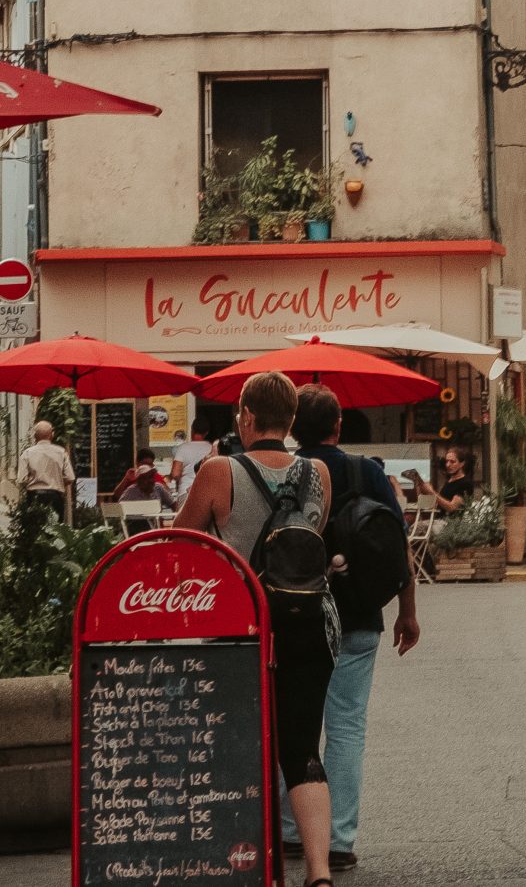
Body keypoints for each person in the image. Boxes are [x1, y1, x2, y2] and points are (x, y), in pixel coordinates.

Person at [175, 372, 337, 887]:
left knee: (236, 743)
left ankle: (245, 864)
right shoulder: (318, 474)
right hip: (310, 623)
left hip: (241, 625)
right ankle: (319, 871)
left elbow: (181, 539)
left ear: (245, 416)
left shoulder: (219, 470)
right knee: (302, 748)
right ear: (290, 420)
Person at [281, 385, 419, 870]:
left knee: (295, 722)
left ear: (294, 428)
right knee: (346, 728)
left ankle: (293, 831)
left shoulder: (289, 473)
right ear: (338, 426)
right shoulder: (368, 471)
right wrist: (407, 610)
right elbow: (397, 542)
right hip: (360, 614)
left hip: (298, 617)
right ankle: (338, 840)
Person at [17, 419, 74, 525]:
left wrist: (34, 480)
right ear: (52, 434)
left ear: (34, 436)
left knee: (35, 530)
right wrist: (57, 481)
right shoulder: (61, 452)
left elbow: (22, 479)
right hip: (55, 497)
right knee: (55, 532)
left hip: (34, 497)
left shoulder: (27, 453)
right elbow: (70, 477)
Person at [411, 446, 485, 514]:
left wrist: (432, 492)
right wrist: (421, 488)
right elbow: (439, 504)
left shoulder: (465, 483)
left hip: (449, 523)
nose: (448, 465)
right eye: (447, 461)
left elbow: (452, 507)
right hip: (437, 519)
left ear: (462, 464)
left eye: (452, 462)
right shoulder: (450, 480)